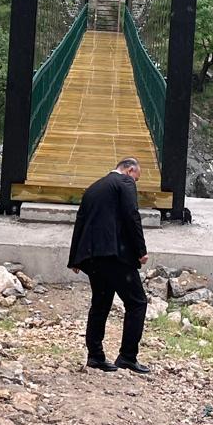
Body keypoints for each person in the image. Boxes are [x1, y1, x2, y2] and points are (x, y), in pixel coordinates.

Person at [67, 157, 150, 374]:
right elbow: (132, 216)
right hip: (115, 255)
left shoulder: (94, 187)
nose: (135, 182)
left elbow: (81, 220)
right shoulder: (124, 182)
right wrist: (141, 250)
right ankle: (128, 356)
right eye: (136, 177)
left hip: (93, 257)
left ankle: (95, 356)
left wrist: (74, 258)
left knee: (101, 303)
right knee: (137, 302)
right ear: (130, 170)